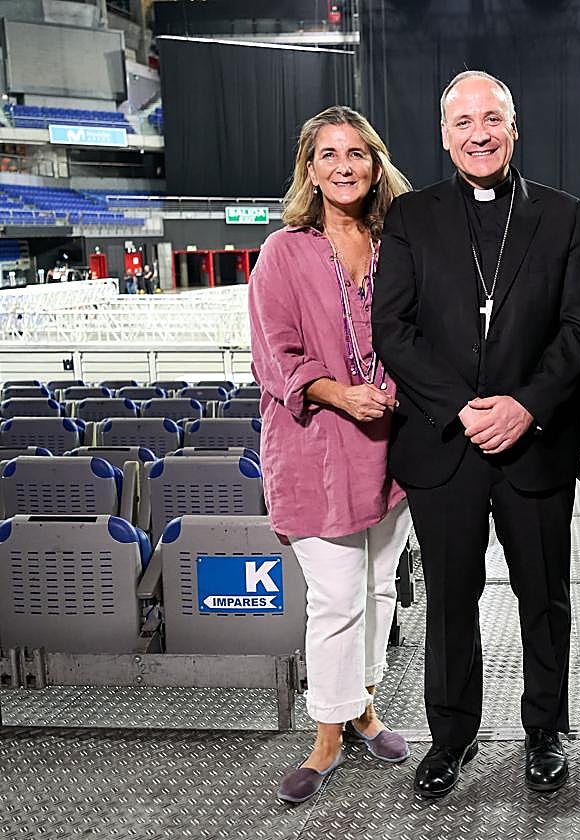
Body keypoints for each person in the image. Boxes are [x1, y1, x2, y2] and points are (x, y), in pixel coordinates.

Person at [372, 70, 580, 798]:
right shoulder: (411, 217)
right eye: (464, 121)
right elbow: (392, 329)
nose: (480, 133)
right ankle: (451, 736)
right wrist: (463, 407)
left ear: (514, 125)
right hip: (445, 444)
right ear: (445, 134)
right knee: (449, 597)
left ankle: (545, 731)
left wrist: (526, 407)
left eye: (492, 118)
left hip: (533, 443)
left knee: (545, 596)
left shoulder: (565, 216)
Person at [248, 105, 416, 805]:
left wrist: (395, 392)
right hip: (316, 448)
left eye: (357, 153)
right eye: (329, 155)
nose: (344, 165)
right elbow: (274, 355)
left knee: (379, 593)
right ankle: (325, 734)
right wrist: (342, 396)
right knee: (337, 598)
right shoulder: (283, 250)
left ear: (376, 165)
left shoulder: (396, 242)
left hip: (393, 453)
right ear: (309, 170)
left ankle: (365, 708)